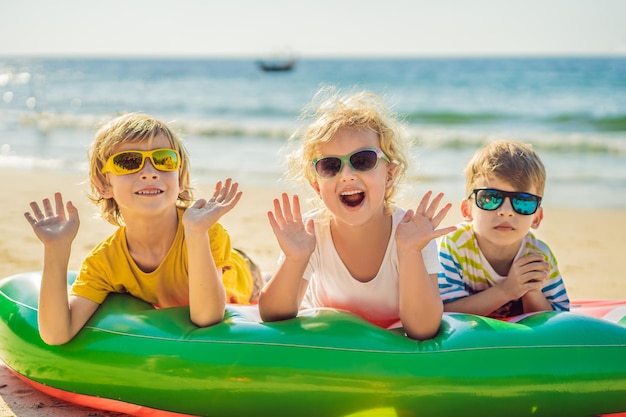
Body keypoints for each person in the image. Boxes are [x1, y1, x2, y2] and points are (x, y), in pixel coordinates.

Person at [24, 113, 261, 345]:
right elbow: (56, 335)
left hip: (242, 276)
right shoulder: (105, 262)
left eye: (164, 160)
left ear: (181, 179)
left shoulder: (205, 231)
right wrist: (56, 250)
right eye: (128, 161)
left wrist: (196, 234)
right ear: (103, 185)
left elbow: (207, 317)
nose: (149, 172)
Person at [258, 88, 456, 340]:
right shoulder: (310, 234)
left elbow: (423, 328)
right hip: (333, 349)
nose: (347, 174)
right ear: (317, 186)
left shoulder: (411, 235)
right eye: (330, 165)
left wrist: (410, 252)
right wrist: (294, 259)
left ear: (389, 175)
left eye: (362, 160)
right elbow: (273, 316)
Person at [438, 140, 570, 318]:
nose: (506, 212)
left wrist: (531, 291)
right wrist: (507, 290)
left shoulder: (538, 255)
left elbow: (558, 319)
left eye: (522, 201)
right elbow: (443, 312)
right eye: (490, 198)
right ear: (466, 210)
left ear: (537, 217)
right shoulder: (455, 245)